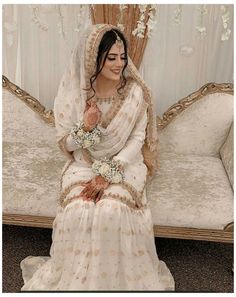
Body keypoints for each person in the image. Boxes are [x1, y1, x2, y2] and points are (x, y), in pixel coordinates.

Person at [20, 24, 175, 291]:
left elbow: (137, 140)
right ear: (94, 59)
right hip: (83, 164)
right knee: (78, 209)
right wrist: (87, 126)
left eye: (123, 57)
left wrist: (110, 172)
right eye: (111, 58)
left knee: (112, 210)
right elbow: (68, 144)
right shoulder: (75, 95)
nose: (119, 64)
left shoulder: (135, 93)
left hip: (125, 164)